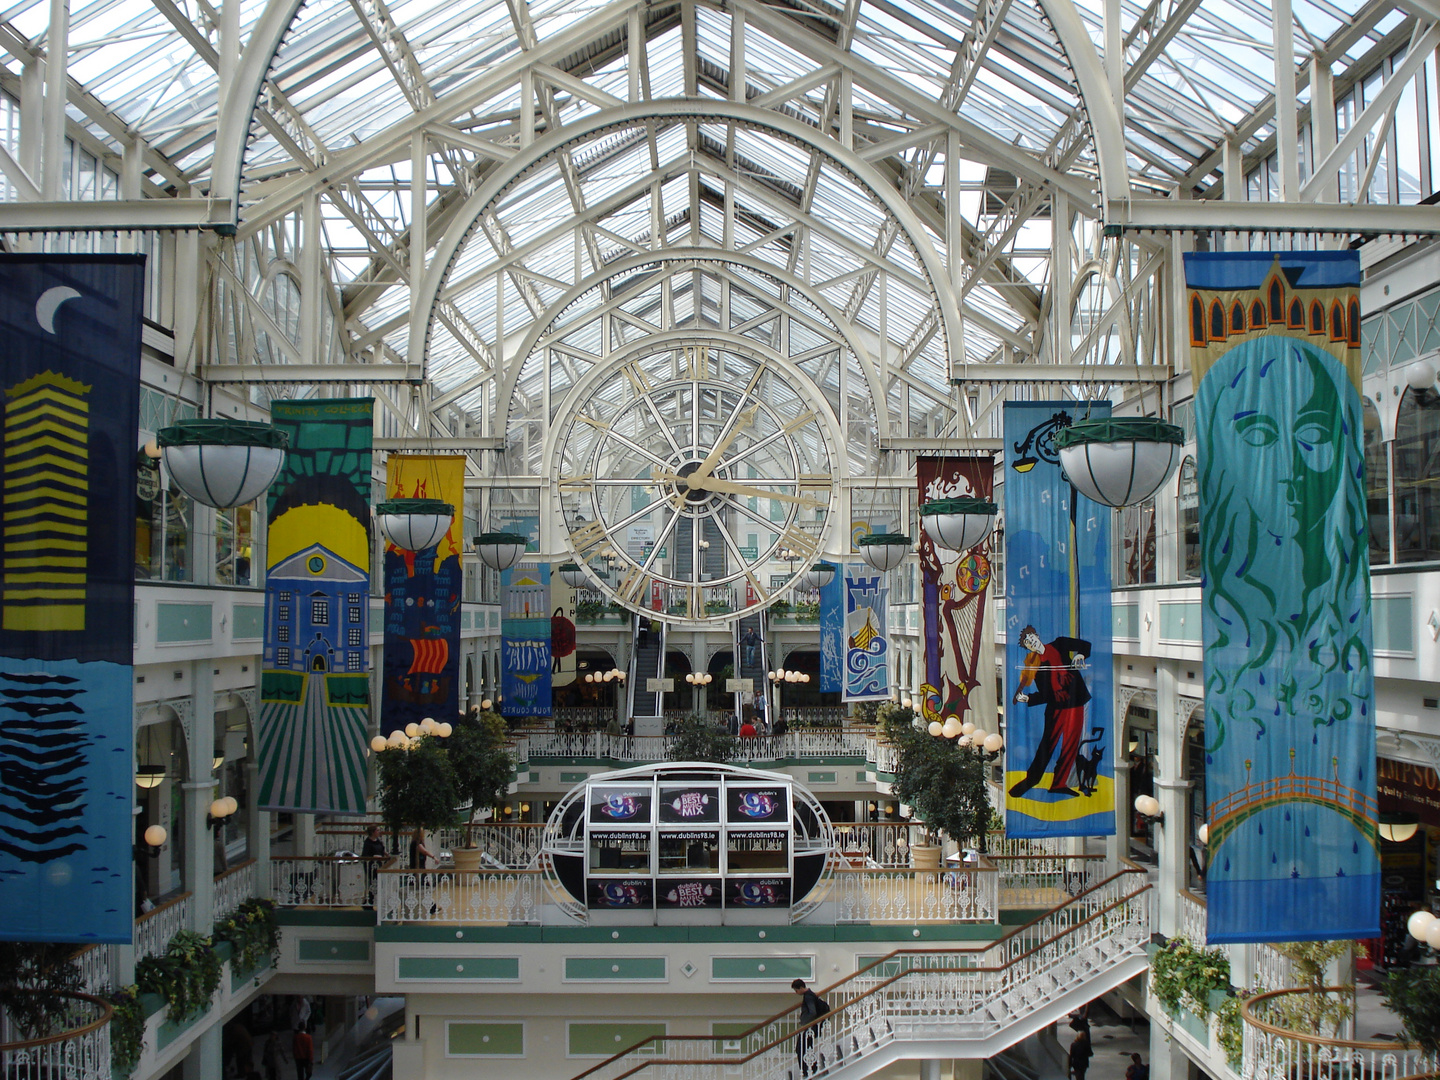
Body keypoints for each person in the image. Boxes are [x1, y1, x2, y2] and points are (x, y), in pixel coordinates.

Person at [1009, 625, 1092, 798]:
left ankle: (1059, 783)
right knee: (1047, 744)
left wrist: (1080, 654)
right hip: (1056, 707)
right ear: (1028, 648)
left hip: (1075, 701)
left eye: (1032, 638)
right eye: (1028, 643)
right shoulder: (1036, 666)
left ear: (1037, 636)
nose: (1032, 643)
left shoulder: (1060, 644)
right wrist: (1029, 698)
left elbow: (1085, 645)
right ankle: (1032, 779)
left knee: (1071, 743)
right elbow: (1046, 694)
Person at [791, 978, 829, 1077]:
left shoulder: (808, 997)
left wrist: (804, 1024)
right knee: (807, 1049)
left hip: (808, 1029)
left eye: (796, 990)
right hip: (810, 1029)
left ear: (800, 988)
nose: (796, 992)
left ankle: (808, 1071)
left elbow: (813, 1012)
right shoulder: (811, 995)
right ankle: (811, 1069)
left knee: (801, 1049)